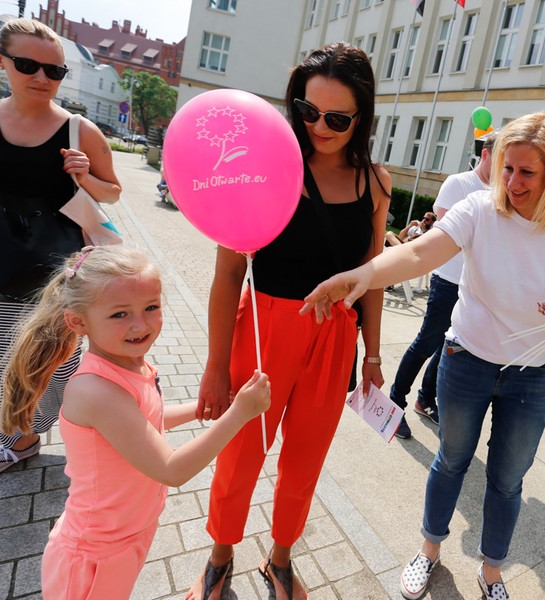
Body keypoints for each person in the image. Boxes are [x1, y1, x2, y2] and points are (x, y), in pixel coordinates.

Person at [301, 112, 545, 600]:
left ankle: (492, 572)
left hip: (531, 374)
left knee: (508, 480)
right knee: (451, 461)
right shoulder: (480, 208)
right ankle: (428, 550)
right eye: (507, 168)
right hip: (466, 359)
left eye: (527, 172)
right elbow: (419, 254)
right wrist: (360, 276)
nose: (512, 182)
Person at [187, 42, 390, 600]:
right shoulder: (261, 168)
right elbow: (229, 273)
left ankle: (280, 559)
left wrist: (373, 355)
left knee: (305, 460)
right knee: (239, 454)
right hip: (265, 329)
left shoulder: (375, 182)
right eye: (307, 110)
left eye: (337, 118)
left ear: (362, 117)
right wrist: (215, 366)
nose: (319, 127)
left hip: (336, 336)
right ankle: (220, 556)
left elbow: (373, 277)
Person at [0, 246, 271, 599]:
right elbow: (171, 469)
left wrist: (201, 409)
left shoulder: (132, 364)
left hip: (127, 535)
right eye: (119, 314)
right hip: (94, 554)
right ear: (78, 322)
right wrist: (240, 413)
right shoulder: (96, 390)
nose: (140, 325)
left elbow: (143, 423)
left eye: (151, 307)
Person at [0, 18, 122, 481]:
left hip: (56, 276)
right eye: (28, 66)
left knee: (57, 363)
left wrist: (85, 175)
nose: (42, 78)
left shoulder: (79, 130)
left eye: (55, 71)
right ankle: (17, 441)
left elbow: (113, 192)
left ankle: (78, 431)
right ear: (0, 60)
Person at [391, 133, 497, 439]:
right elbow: (448, 235)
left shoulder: (500, 192)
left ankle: (426, 398)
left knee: (449, 347)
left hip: (474, 286)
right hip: (449, 280)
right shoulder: (459, 183)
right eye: (503, 159)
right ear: (486, 155)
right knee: (426, 343)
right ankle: (395, 403)